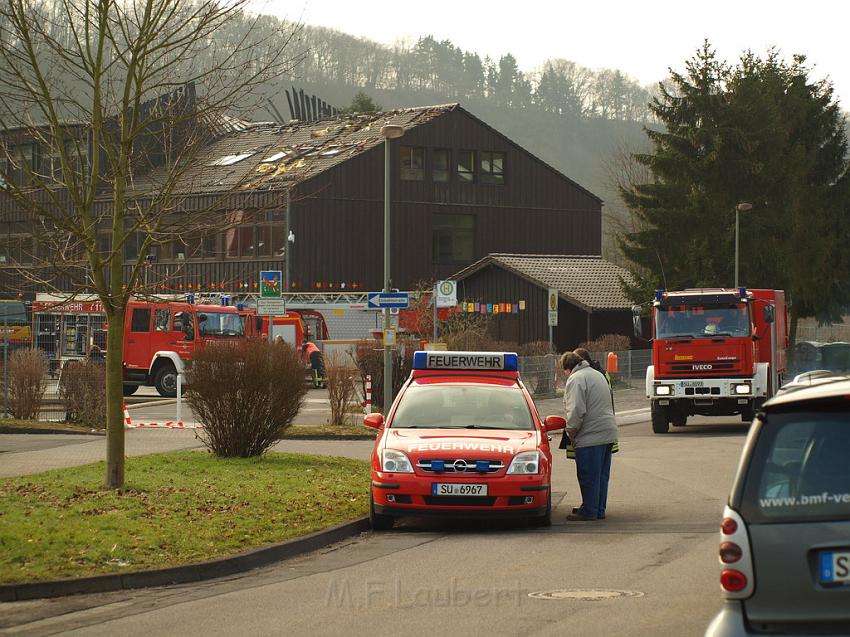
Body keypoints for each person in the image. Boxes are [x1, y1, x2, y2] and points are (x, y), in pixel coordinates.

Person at [560, 351, 619, 521]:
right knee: (601, 475)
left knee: (588, 475)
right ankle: (598, 508)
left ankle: (589, 510)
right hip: (607, 432)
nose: (565, 375)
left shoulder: (576, 379)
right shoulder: (597, 375)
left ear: (568, 368)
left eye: (564, 372)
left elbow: (576, 410)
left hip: (590, 435)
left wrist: (570, 431)